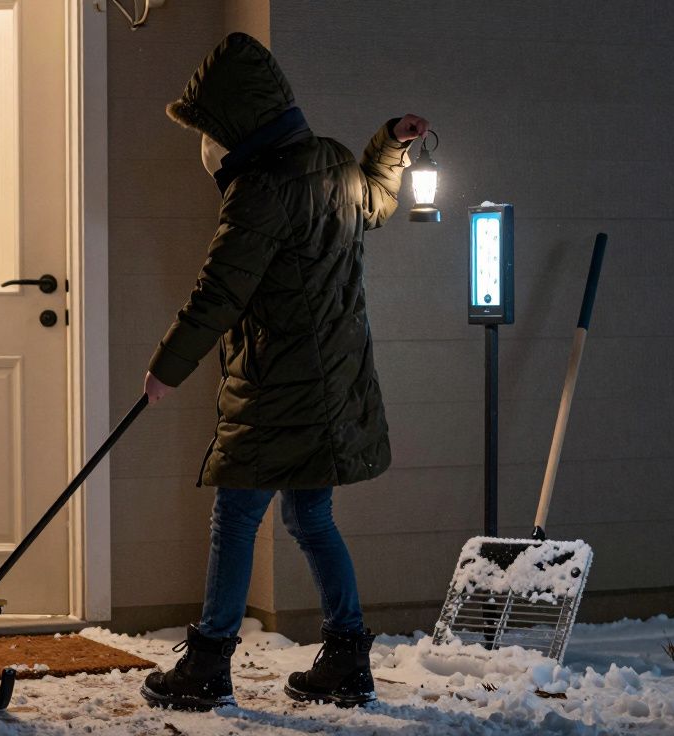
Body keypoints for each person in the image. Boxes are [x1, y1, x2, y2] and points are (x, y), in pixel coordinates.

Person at [138, 32, 429, 711]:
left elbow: (221, 291)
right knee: (308, 516)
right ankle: (348, 657)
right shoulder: (331, 164)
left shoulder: (260, 191)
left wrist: (165, 369)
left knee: (236, 517)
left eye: (211, 129)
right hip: (334, 385)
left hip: (279, 387)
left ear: (236, 123)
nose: (206, 146)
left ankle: (208, 663)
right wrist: (389, 145)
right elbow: (379, 200)